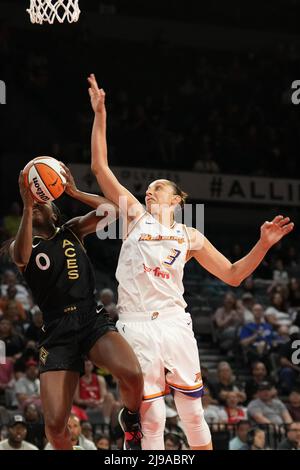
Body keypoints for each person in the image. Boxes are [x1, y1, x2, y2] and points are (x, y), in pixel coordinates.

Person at [88, 73, 294, 450]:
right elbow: (101, 169)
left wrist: (263, 245)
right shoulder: (135, 215)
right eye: (147, 189)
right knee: (152, 419)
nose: (149, 192)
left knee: (192, 413)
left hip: (173, 322)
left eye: (157, 189)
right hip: (135, 323)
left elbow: (233, 275)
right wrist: (100, 114)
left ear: (175, 200)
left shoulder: (190, 235)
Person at [8, 166, 143, 450]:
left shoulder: (72, 231)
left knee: (132, 374)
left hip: (90, 319)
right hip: (57, 330)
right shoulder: (25, 245)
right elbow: (20, 256)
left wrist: (73, 191)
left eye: (43, 202)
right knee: (55, 428)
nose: (37, 203)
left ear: (55, 214)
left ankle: (130, 419)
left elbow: (112, 211)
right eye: (35, 202)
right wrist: (27, 204)